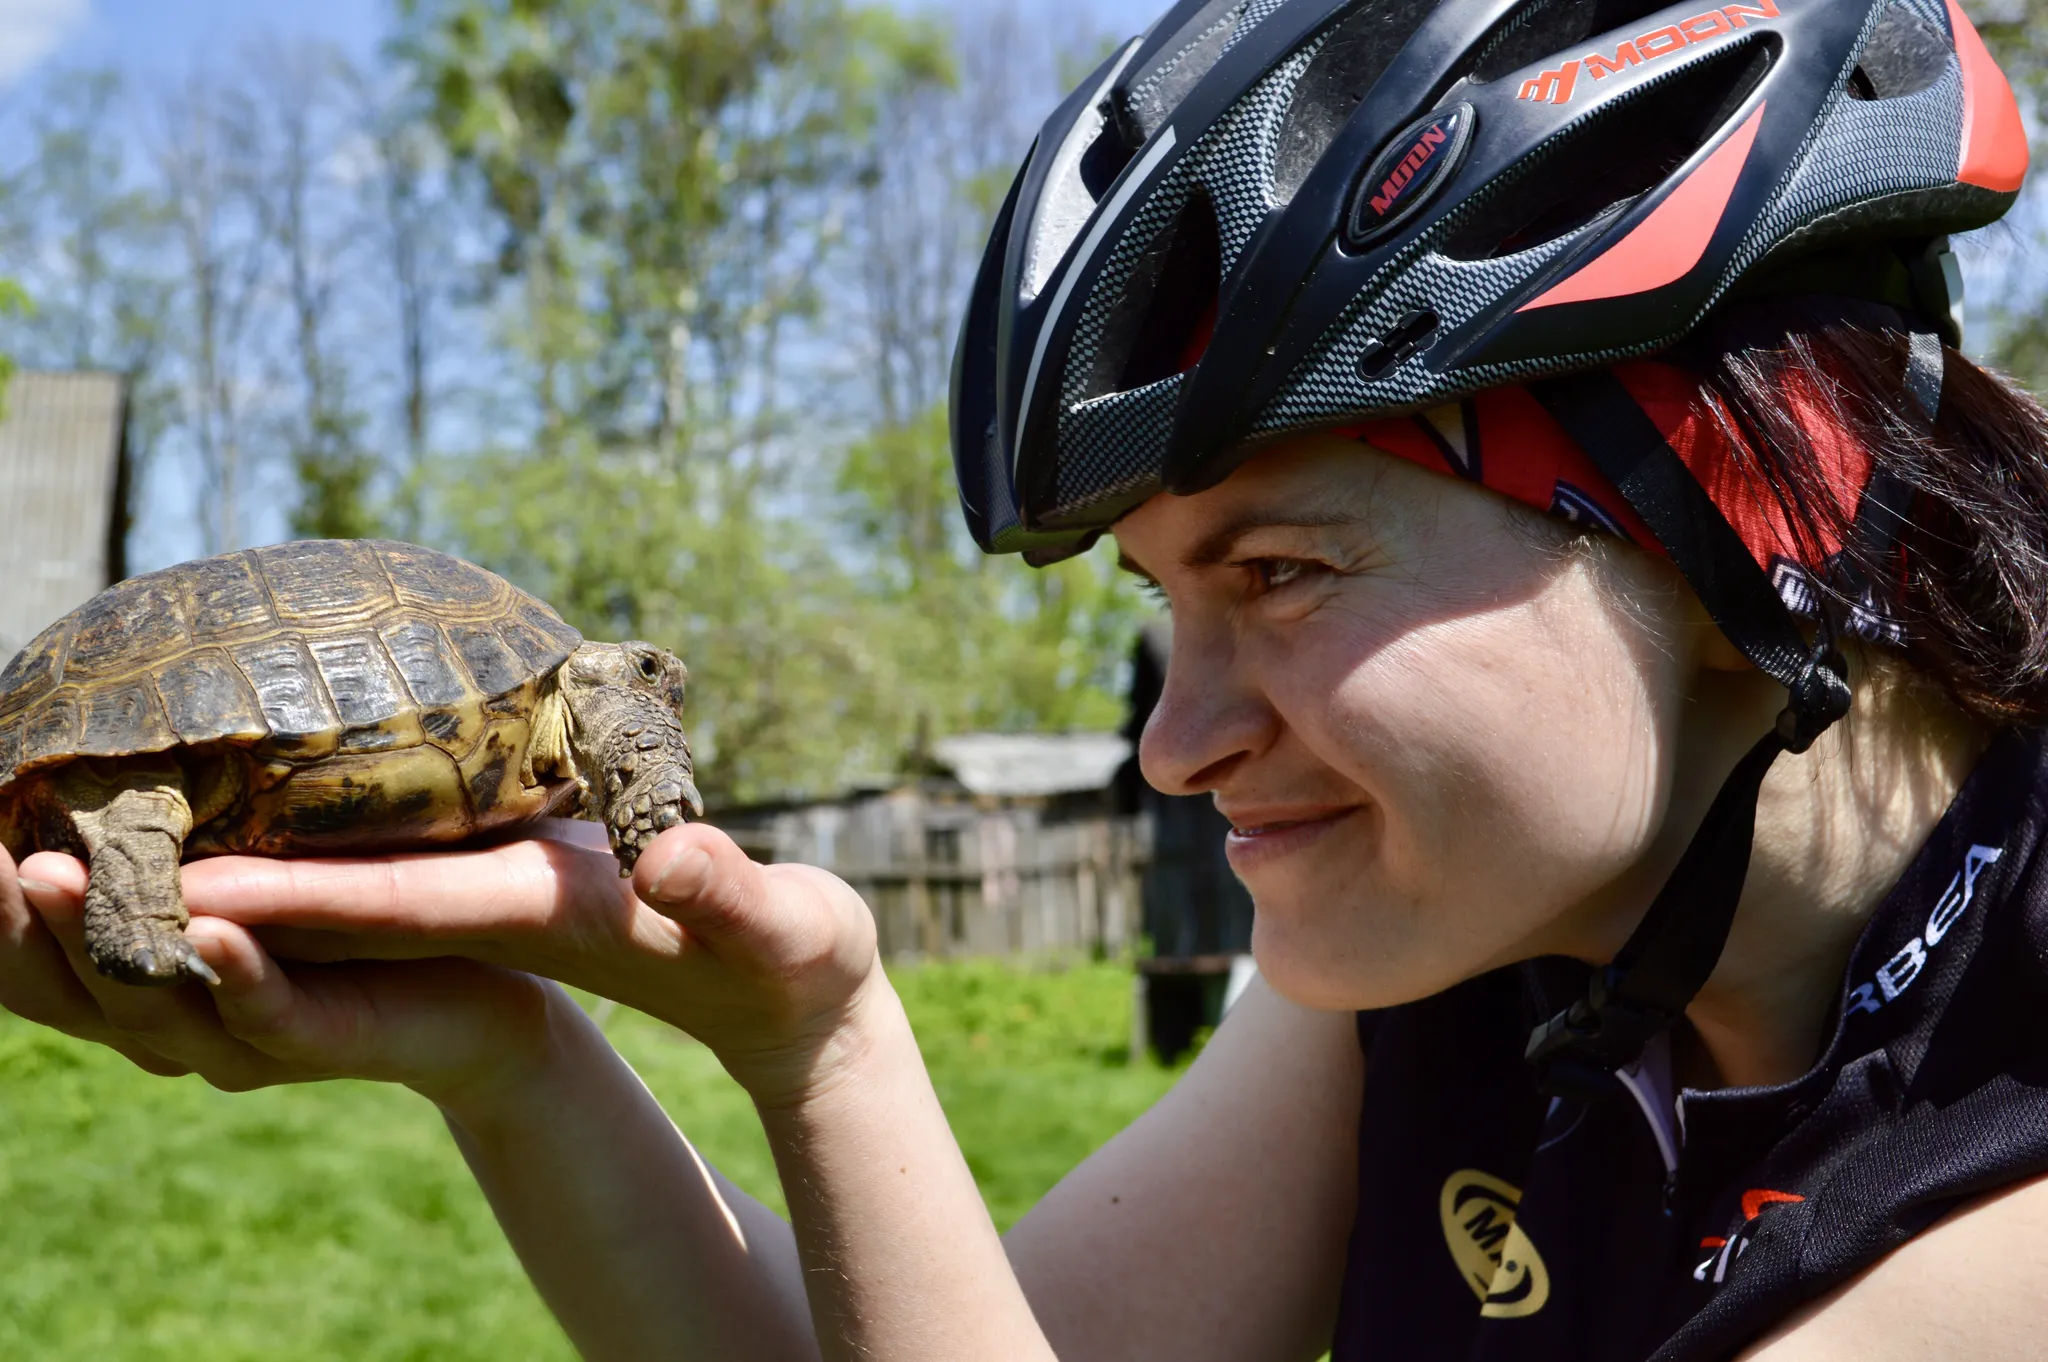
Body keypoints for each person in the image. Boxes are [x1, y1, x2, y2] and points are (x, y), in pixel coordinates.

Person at [5, 0, 2048, 1356]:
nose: (1174, 742)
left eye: (1282, 569)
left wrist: (827, 1046)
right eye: (1160, 607)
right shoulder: (1470, 976)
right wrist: (522, 1053)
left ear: (1758, 510)